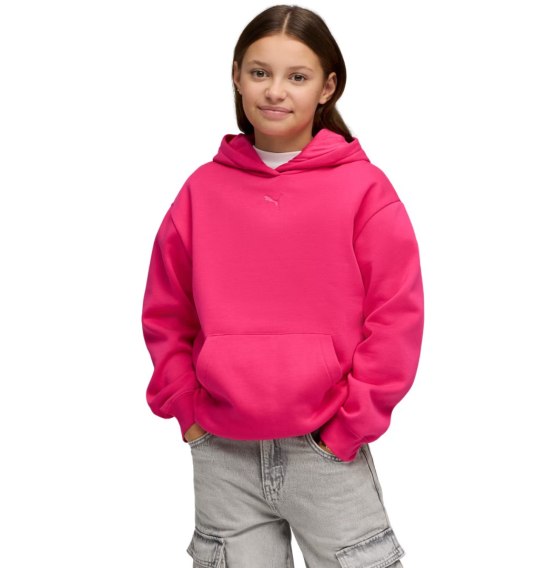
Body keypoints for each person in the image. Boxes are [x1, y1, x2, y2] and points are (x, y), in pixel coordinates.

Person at [141, 4, 424, 567]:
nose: (275, 91)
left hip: (326, 450)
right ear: (236, 77)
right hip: (223, 453)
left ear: (328, 87)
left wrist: (349, 427)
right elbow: (166, 312)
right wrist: (189, 414)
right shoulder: (201, 191)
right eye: (259, 72)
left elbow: (396, 317)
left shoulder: (364, 190)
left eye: (297, 76)